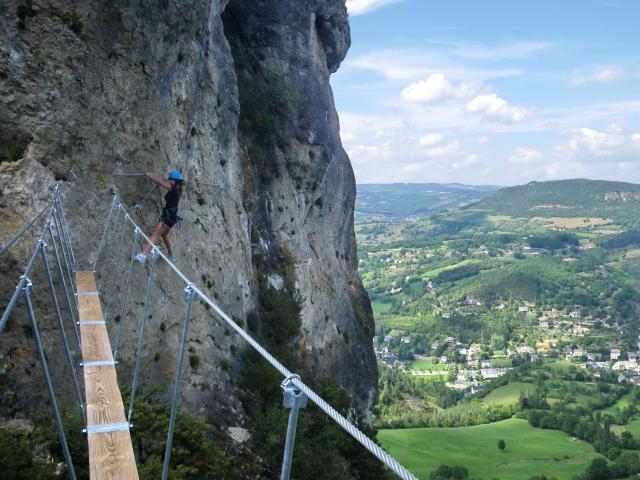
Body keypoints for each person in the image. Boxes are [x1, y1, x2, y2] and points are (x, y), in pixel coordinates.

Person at [135, 170, 183, 263]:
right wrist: (163, 180)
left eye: (170, 179)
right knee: (165, 235)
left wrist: (150, 175)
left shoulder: (173, 189)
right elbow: (163, 182)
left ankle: (143, 255)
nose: (168, 180)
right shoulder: (178, 188)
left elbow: (160, 182)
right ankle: (171, 255)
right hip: (172, 216)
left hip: (168, 217)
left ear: (174, 181)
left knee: (155, 234)